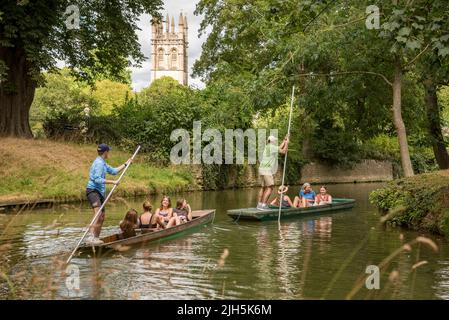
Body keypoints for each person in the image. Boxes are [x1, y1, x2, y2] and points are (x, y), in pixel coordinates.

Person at [85, 143, 132, 245]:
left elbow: (114, 171)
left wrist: (125, 164)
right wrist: (113, 182)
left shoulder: (103, 163)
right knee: (97, 214)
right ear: (105, 152)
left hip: (100, 193)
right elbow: (97, 179)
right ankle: (90, 237)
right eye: (108, 151)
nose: (109, 153)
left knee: (102, 217)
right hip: (93, 191)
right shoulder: (99, 163)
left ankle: (96, 239)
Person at [257, 134, 289, 210]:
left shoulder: (268, 146)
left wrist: (284, 141)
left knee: (263, 187)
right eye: (275, 140)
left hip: (262, 169)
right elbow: (284, 151)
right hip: (267, 170)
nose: (276, 141)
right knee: (270, 187)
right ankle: (263, 205)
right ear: (272, 141)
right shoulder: (272, 147)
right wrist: (287, 143)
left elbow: (279, 147)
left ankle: (259, 204)